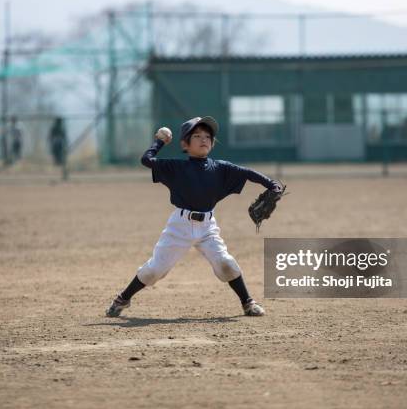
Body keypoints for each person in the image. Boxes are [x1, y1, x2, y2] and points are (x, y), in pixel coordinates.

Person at [106, 116, 282, 318]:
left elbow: (248, 173)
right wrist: (160, 141)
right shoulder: (176, 168)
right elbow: (147, 160)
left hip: (207, 227)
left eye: (208, 136)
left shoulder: (220, 168)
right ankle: (123, 298)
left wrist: (271, 184)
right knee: (154, 271)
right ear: (185, 144)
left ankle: (248, 303)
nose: (204, 139)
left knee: (226, 264)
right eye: (196, 136)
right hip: (179, 226)